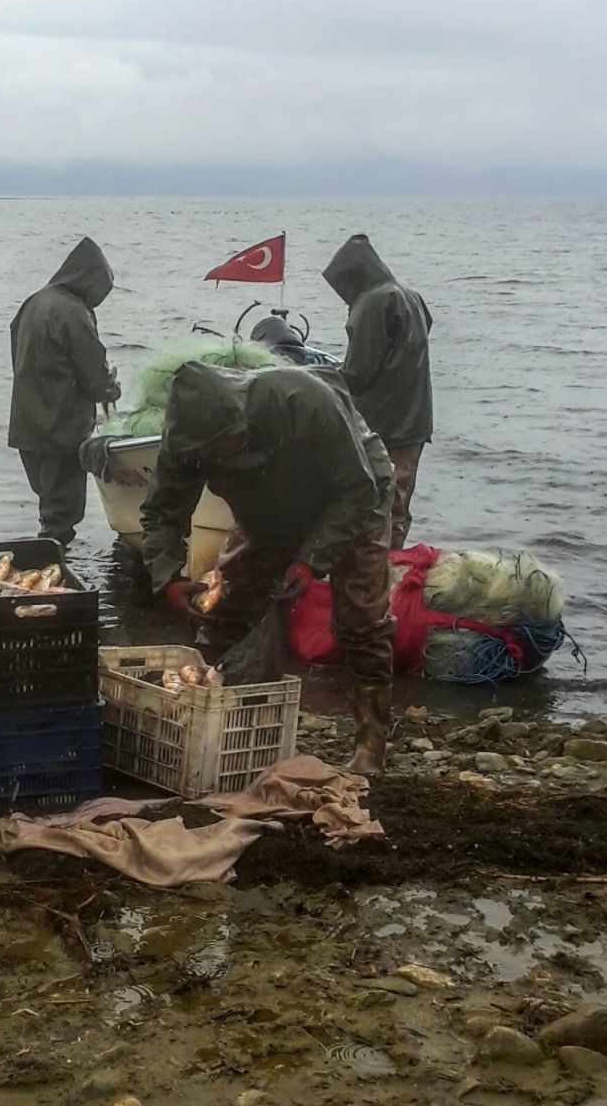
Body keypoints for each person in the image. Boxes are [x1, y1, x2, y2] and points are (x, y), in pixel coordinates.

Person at [141, 361, 396, 773]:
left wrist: (311, 561)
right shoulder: (184, 446)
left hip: (355, 497)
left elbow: (358, 490)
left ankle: (372, 739)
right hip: (265, 515)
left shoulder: (302, 399)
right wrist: (168, 579)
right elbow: (161, 515)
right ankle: (232, 720)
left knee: (360, 618)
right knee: (228, 608)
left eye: (226, 445)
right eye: (208, 453)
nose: (216, 456)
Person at [8, 237, 120, 547]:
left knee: (48, 504)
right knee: (63, 514)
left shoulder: (33, 302)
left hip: (26, 424)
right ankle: (52, 569)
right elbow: (95, 377)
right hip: (62, 429)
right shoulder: (74, 311)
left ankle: (48, 560)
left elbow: (16, 353)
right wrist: (112, 387)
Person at [323, 234, 433, 548]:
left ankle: (376, 574)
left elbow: (356, 374)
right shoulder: (410, 295)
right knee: (399, 502)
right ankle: (393, 566)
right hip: (416, 417)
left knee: (378, 502)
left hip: (385, 422)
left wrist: (318, 378)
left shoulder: (372, 301)